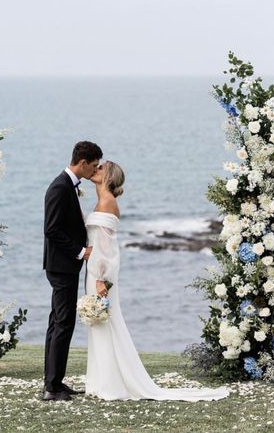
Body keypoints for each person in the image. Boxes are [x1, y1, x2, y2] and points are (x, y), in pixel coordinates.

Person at [85, 161, 229, 401]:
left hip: (100, 274)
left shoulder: (107, 202)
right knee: (99, 325)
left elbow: (108, 249)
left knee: (105, 323)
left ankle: (111, 385)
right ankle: (102, 380)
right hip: (93, 271)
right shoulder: (102, 201)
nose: (95, 169)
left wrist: (102, 279)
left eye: (100, 168)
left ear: (107, 176)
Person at [43, 141, 103, 401]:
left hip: (64, 266)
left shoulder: (69, 185)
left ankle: (54, 381)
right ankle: (52, 387)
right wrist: (80, 251)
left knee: (56, 321)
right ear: (82, 162)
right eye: (94, 165)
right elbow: (52, 229)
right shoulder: (59, 187)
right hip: (62, 266)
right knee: (63, 323)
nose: (95, 170)